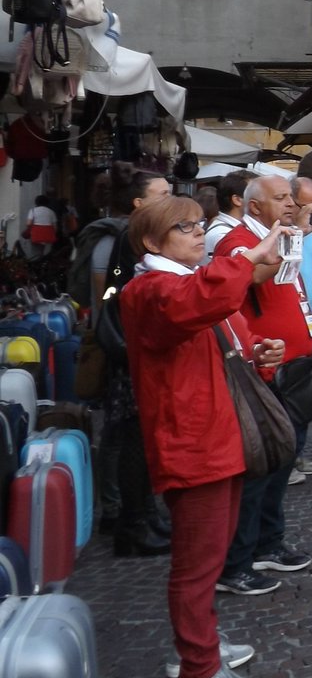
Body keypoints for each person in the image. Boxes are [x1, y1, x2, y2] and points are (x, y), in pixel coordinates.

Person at [120, 196, 285, 678]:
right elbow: (198, 304)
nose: (198, 233)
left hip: (211, 436)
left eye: (198, 224)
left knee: (206, 558)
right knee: (196, 565)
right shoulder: (152, 289)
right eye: (184, 227)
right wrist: (246, 256)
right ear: (152, 242)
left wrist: (259, 351)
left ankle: (200, 645)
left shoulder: (177, 284)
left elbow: (221, 327)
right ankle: (198, 674)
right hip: (192, 443)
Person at [214, 176, 312, 595]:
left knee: (282, 461)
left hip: (294, 366)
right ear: (255, 207)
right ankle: (236, 561)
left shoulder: (282, 235)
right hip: (263, 371)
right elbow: (247, 277)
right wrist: (279, 247)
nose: (291, 204)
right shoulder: (238, 240)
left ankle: (267, 543)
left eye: (292, 198)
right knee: (259, 467)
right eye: (282, 199)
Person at [90, 164, 174, 558]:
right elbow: (113, 288)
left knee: (143, 439)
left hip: (132, 343)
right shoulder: (130, 236)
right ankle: (133, 522)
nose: (169, 199)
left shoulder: (139, 234)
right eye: (162, 194)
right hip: (130, 348)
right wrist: (115, 310)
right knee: (135, 440)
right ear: (139, 203)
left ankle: (144, 515)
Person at [287, 176, 312, 484]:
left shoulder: (309, 228)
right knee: (290, 394)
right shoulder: (287, 231)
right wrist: (299, 228)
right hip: (292, 325)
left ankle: (298, 452)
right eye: (306, 204)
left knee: (306, 395)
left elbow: (309, 261)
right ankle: (287, 459)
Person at [203, 171, 249, 262]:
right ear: (237, 200)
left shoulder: (229, 230)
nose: (261, 199)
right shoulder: (222, 234)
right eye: (254, 193)